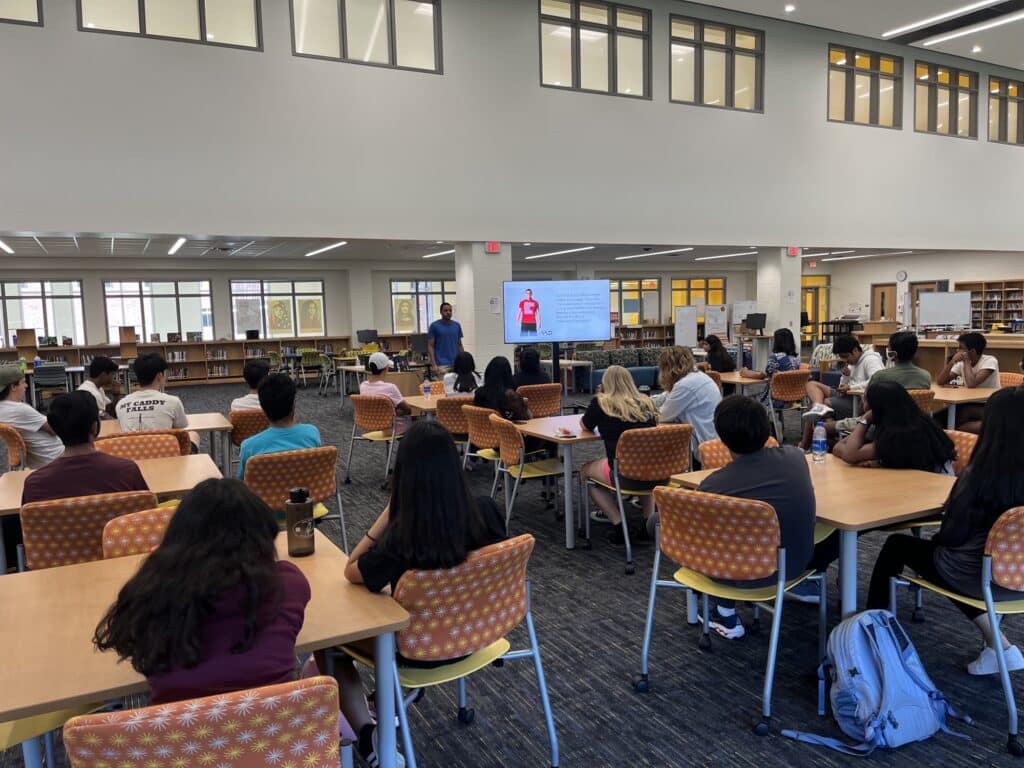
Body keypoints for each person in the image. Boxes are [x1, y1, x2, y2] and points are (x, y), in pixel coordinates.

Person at [339, 421, 506, 763]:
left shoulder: (401, 538)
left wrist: (388, 512)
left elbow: (351, 568)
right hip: (477, 635)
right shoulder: (486, 512)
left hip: (417, 652)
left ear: (404, 476)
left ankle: (372, 737)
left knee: (332, 648)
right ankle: (383, 709)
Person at [93, 479, 311, 704]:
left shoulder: (149, 596)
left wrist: (164, 564)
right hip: (275, 731)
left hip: (179, 735)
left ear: (177, 538)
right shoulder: (289, 584)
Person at [866, 386, 1024, 676]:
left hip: (976, 574)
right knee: (959, 560)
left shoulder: (982, 475)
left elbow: (951, 536)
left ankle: (872, 634)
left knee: (897, 547)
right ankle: (998, 644)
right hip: (1016, 575)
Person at [696, 395, 816, 638]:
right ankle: (804, 585)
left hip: (743, 574)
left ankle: (724, 611)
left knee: (673, 527)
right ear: (766, 427)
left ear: (722, 438)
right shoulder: (795, 458)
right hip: (796, 563)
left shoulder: (714, 486)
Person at [580, 366, 660, 545]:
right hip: (655, 473)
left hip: (622, 474)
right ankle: (647, 525)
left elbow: (585, 426)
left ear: (605, 383)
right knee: (643, 469)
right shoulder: (647, 403)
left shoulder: (602, 403)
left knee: (585, 471)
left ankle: (619, 524)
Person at [22, 391, 149, 504]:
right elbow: (145, 510)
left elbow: (28, 525)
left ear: (55, 428)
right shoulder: (127, 471)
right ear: (94, 427)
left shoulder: (35, 483)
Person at [832, 381, 956, 473]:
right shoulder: (905, 421)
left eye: (866, 400)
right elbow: (838, 448)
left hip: (937, 494)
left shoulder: (901, 434)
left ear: (876, 408)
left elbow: (849, 454)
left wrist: (865, 420)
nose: (863, 405)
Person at [237, 373, 321, 478]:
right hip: (306, 493)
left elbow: (242, 483)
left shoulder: (249, 446)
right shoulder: (312, 433)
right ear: (294, 404)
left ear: (262, 408)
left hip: (264, 494)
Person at [652, 346, 721, 464]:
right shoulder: (698, 377)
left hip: (702, 448)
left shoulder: (685, 385)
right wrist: (643, 400)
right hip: (716, 442)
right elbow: (667, 396)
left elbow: (662, 416)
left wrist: (639, 411)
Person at [115, 354, 195, 449]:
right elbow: (181, 427)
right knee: (193, 435)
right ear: (160, 376)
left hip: (132, 454)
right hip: (165, 453)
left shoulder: (121, 404)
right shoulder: (173, 401)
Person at [802, 334, 884, 423]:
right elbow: (842, 385)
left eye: (845, 356)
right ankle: (818, 407)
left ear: (855, 350)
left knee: (824, 403)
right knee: (811, 384)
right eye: (841, 357)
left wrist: (851, 387)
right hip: (846, 395)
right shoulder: (852, 362)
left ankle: (826, 426)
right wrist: (846, 376)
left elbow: (877, 380)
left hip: (858, 400)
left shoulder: (871, 360)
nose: (844, 360)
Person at [0, 365, 63, 469]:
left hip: (35, 462)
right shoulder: (20, 410)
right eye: (23, 382)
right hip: (54, 457)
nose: (26, 386)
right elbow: (55, 429)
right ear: (13, 387)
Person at [937, 331, 1000, 434]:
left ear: (973, 351)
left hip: (988, 405)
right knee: (939, 416)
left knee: (958, 415)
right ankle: (950, 433)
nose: (958, 350)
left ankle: (953, 434)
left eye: (961, 348)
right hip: (968, 402)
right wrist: (952, 362)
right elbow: (941, 381)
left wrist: (966, 361)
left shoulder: (990, 361)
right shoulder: (961, 364)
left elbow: (971, 384)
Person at [739, 328, 803, 410]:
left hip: (776, 398)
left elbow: (766, 374)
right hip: (793, 396)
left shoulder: (775, 357)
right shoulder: (797, 358)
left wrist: (746, 373)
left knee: (746, 397)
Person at [359, 352, 411, 435]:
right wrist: (393, 412)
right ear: (386, 368)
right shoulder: (390, 388)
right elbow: (407, 410)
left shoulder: (363, 386)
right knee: (416, 425)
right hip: (391, 427)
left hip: (369, 425)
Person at [474, 356, 532, 422]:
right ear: (508, 373)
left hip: (482, 430)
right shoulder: (510, 396)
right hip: (506, 431)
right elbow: (526, 418)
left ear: (488, 372)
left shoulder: (479, 393)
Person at [427, 302, 464, 375]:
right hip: (441, 365)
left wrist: (464, 361)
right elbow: (430, 346)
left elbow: (459, 345)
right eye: (446, 310)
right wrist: (434, 364)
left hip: (456, 364)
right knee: (443, 386)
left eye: (450, 310)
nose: (448, 312)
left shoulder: (457, 325)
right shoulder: (434, 326)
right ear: (441, 312)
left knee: (456, 386)